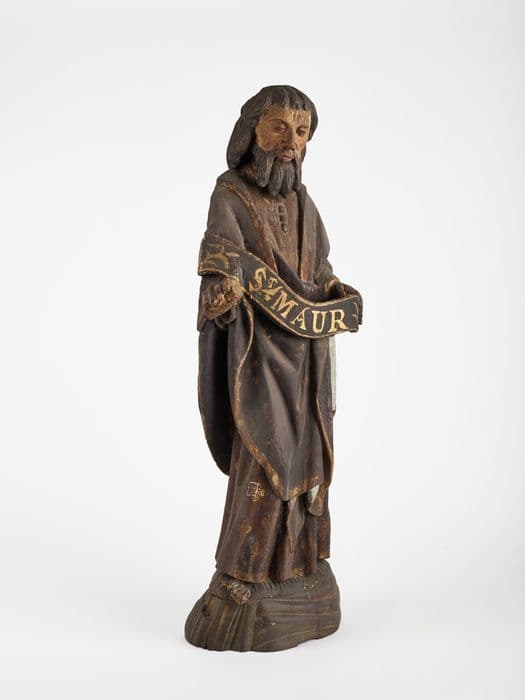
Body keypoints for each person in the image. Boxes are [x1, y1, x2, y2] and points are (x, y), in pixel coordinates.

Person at [197, 85, 362, 606]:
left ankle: (299, 566)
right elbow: (217, 269)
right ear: (253, 132)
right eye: (279, 128)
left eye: (302, 131)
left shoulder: (303, 203)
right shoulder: (231, 194)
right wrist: (224, 291)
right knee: (264, 457)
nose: (291, 141)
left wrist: (334, 292)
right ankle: (241, 576)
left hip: (308, 363)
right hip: (259, 358)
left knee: (307, 460)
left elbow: (320, 268)